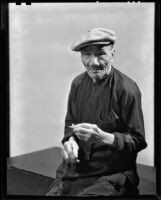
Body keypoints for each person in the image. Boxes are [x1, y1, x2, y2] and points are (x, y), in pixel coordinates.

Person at [46, 28, 147, 196]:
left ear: (112, 54)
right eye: (86, 54)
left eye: (101, 54)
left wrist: (104, 137)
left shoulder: (126, 89)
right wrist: (69, 141)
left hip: (113, 173)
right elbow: (70, 124)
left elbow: (138, 140)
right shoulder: (77, 83)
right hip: (78, 170)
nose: (93, 62)